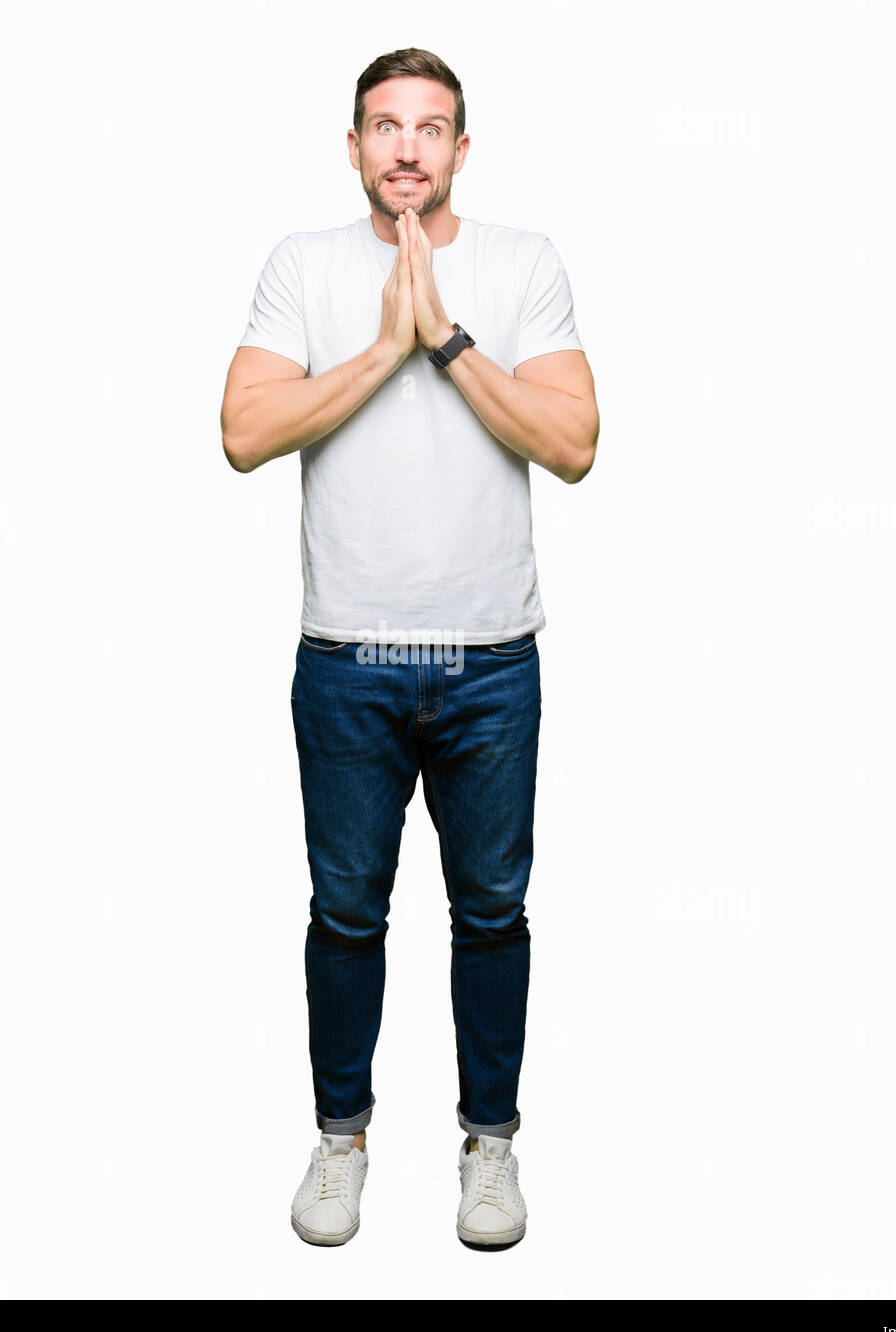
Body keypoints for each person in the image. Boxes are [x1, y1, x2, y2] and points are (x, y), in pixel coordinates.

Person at [220, 47, 598, 1250]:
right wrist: (385, 346)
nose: (405, 149)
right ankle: (342, 1139)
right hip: (347, 662)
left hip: (491, 662)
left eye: (430, 129)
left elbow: (575, 442)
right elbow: (242, 432)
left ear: (461, 151)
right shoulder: (304, 268)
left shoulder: (524, 264)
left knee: (491, 911)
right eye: (384, 126)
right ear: (352, 146)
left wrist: (444, 340)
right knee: (346, 912)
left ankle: (490, 1145)